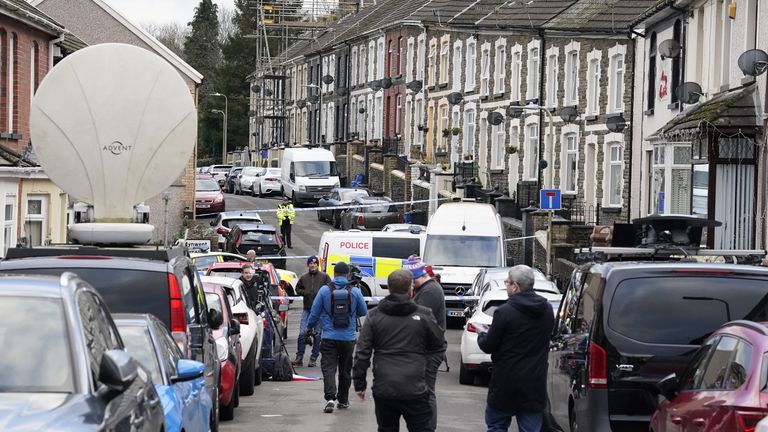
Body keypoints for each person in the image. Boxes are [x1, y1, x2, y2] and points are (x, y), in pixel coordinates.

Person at [352, 269, 444, 432]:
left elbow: (362, 353)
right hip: (414, 386)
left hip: (385, 386)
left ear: (388, 287)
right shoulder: (423, 315)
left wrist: (360, 383)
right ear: (410, 288)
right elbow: (438, 343)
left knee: (386, 428)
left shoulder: (374, 315)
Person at [476, 265, 554, 432]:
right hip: (534, 383)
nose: (506, 286)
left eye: (507, 283)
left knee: (497, 425)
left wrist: (482, 335)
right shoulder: (547, 310)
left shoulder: (504, 312)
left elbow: (489, 345)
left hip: (506, 383)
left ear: (515, 286)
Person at [307, 262, 368, 413]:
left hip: (328, 336)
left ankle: (330, 398)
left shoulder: (324, 290)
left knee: (328, 368)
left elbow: (314, 312)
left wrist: (309, 327)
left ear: (333, 274)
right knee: (345, 370)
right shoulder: (354, 291)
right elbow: (363, 311)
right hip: (348, 338)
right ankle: (343, 400)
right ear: (348, 274)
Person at [403, 255, 445, 432]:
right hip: (428, 349)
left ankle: (427, 428)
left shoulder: (429, 292)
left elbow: (417, 321)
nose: (411, 286)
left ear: (417, 276)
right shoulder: (428, 289)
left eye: (412, 281)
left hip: (430, 350)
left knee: (427, 392)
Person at [293, 255, 332, 367]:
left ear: (317, 265)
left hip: (320, 311)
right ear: (308, 265)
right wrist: (305, 293)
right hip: (307, 309)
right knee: (302, 333)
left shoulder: (324, 277)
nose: (312, 265)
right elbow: (297, 289)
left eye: (314, 263)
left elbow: (330, 289)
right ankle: (299, 357)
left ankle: (313, 358)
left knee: (317, 335)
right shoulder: (304, 277)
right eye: (310, 263)